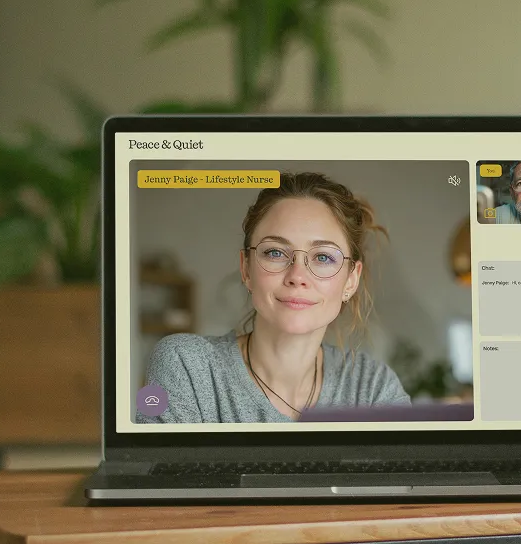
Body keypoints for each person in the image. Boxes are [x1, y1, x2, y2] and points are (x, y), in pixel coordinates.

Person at [138, 171, 411, 423]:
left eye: (324, 257)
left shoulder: (373, 386)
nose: (297, 275)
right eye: (276, 253)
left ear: (351, 280)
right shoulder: (185, 365)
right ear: (246, 269)